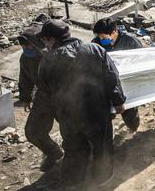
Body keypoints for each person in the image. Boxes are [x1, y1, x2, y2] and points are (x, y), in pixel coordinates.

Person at [38, 20, 126, 188]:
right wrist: (119, 101)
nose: (44, 44)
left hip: (67, 116)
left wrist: (50, 117)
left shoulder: (47, 61)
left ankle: (72, 184)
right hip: (97, 112)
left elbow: (44, 92)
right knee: (102, 147)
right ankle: (102, 180)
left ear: (52, 39)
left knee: (73, 149)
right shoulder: (94, 49)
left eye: (44, 40)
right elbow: (111, 77)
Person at [18, 19, 63, 173]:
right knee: (32, 131)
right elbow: (24, 77)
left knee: (72, 130)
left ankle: (81, 158)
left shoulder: (55, 55)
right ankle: (53, 152)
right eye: (23, 46)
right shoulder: (25, 58)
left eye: (28, 45)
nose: (26, 49)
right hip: (43, 97)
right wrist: (25, 97)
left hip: (63, 96)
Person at [92, 18, 142, 132]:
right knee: (105, 115)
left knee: (129, 113)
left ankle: (133, 129)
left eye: (104, 38)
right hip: (107, 85)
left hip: (126, 85)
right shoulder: (96, 43)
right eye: (99, 37)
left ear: (114, 32)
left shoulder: (130, 41)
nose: (101, 40)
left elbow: (141, 60)